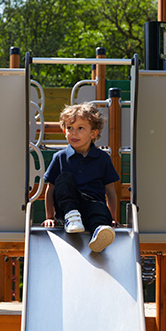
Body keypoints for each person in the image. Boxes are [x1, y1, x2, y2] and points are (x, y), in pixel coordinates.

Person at [42, 102, 120, 252]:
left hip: (93, 204)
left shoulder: (102, 158)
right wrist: (50, 217)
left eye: (80, 128)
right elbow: (50, 189)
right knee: (64, 179)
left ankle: (99, 232)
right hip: (68, 208)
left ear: (93, 133)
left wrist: (112, 218)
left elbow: (110, 191)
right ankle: (72, 218)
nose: (73, 133)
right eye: (69, 128)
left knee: (99, 209)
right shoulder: (60, 157)